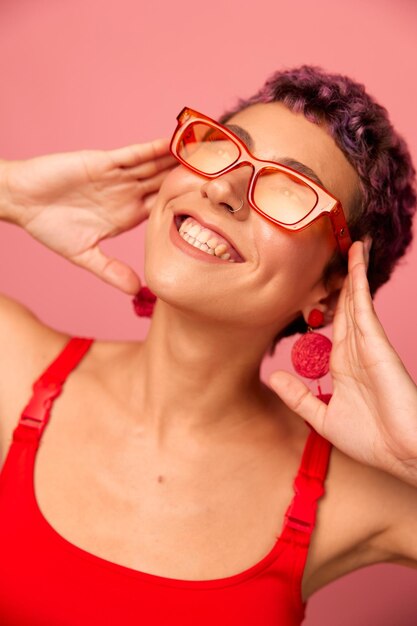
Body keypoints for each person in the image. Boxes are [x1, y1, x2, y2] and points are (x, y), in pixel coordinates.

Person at [0, 65, 416, 626]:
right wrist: (10, 191)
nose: (223, 189)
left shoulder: (349, 495)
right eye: (225, 151)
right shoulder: (14, 365)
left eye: (289, 189)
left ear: (331, 283)